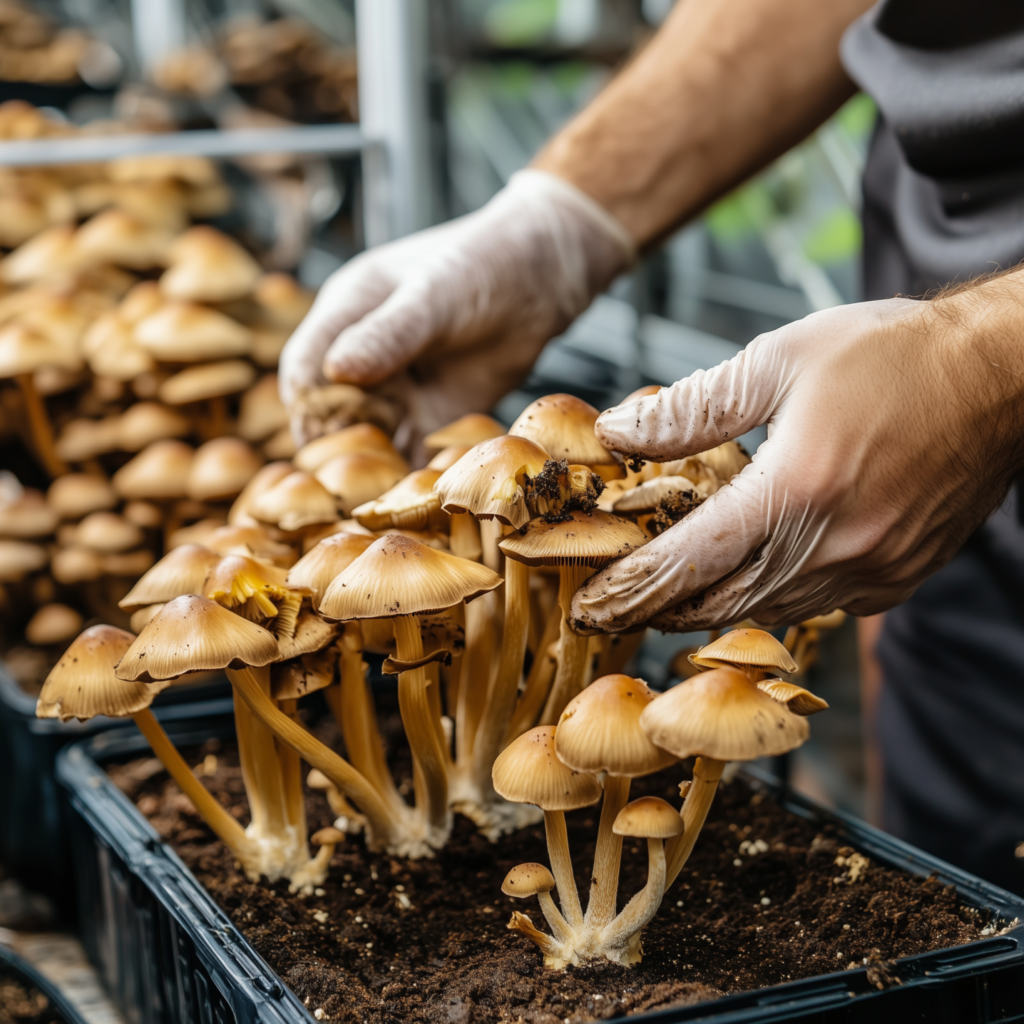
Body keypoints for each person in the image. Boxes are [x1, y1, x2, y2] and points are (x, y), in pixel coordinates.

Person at [281, 0, 1024, 890]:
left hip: (950, 362)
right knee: (966, 880)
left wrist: (988, 361)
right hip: (931, 350)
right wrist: (564, 217)